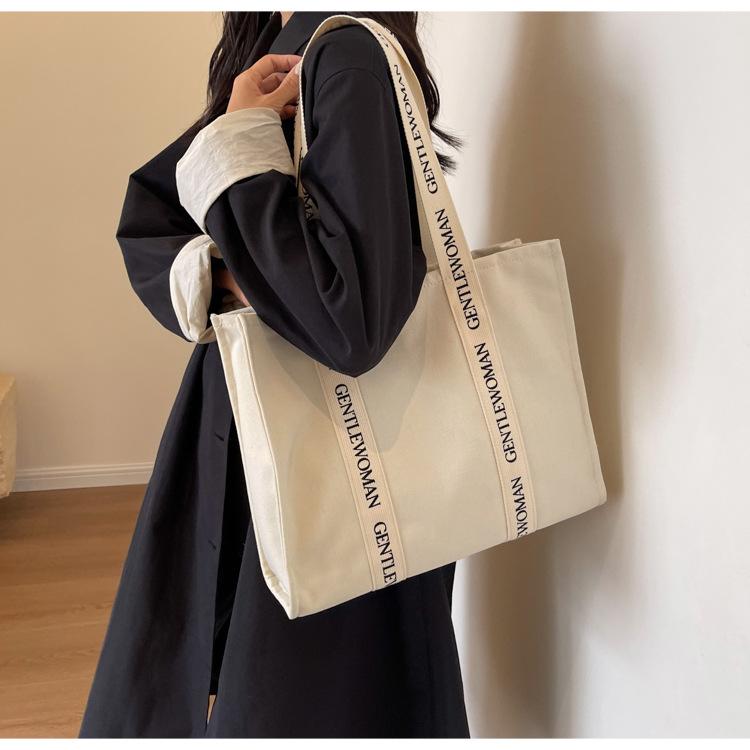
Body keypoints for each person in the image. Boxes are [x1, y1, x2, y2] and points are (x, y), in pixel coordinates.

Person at [79, 10, 470, 738]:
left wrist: (238, 172)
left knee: (300, 696)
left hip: (326, 451)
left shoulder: (345, 54)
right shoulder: (276, 56)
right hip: (282, 429)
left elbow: (347, 320)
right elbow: (154, 215)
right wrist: (235, 263)